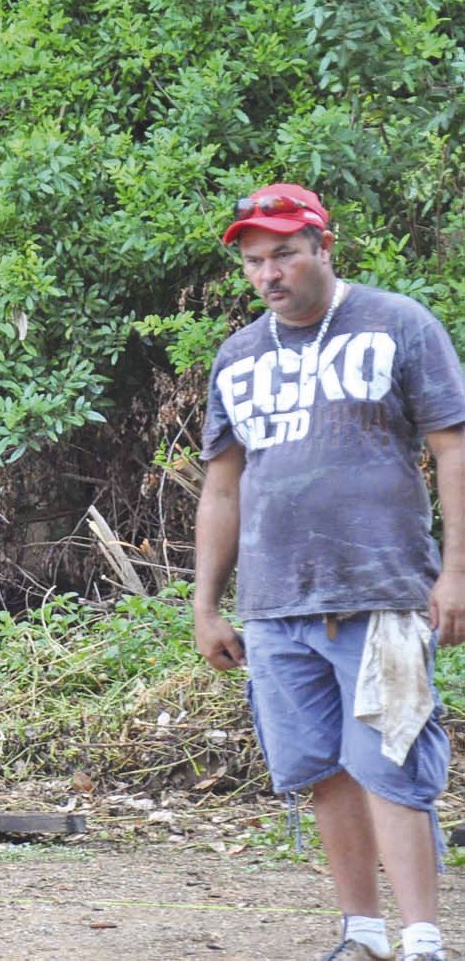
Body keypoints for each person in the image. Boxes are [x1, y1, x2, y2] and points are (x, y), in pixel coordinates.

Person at [195, 183, 465, 961]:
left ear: (323, 246)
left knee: (391, 764)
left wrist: (455, 571)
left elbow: (453, 448)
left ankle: (422, 939)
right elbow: (222, 485)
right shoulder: (240, 355)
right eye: (254, 260)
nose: (269, 272)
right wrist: (206, 604)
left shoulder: (398, 324)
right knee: (323, 771)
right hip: (277, 603)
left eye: (283, 252)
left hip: (382, 590)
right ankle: (363, 933)